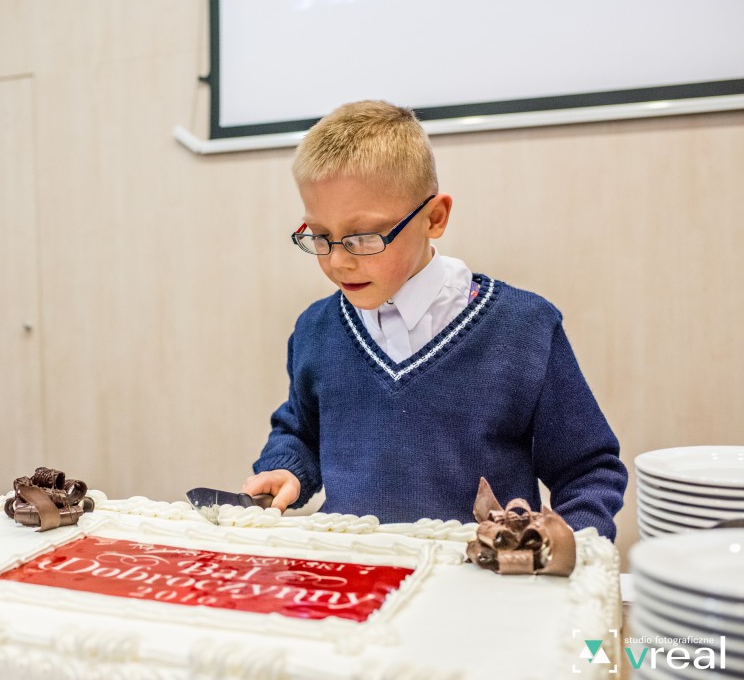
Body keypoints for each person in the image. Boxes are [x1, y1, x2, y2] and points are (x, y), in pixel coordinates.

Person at [243, 101, 626, 540]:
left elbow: (589, 469)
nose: (337, 261)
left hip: (481, 590)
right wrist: (286, 468)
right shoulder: (315, 330)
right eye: (320, 237)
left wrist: (572, 546)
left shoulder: (525, 328)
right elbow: (300, 431)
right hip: (355, 585)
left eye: (363, 237)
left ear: (434, 218)